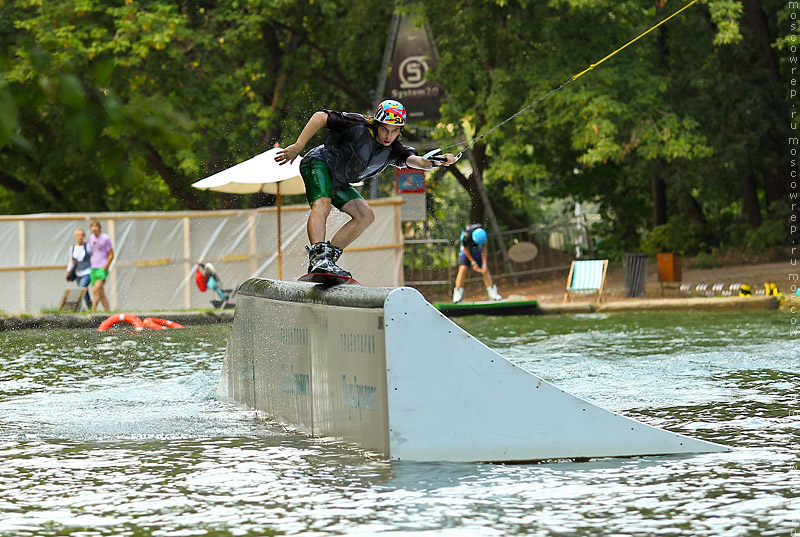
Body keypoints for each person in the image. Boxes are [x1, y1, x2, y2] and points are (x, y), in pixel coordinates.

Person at [275, 99, 457, 277]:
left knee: (366, 215)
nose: (388, 136)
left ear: (400, 131)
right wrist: (299, 145)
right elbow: (320, 117)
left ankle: (328, 259)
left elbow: (419, 162)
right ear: (376, 124)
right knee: (323, 204)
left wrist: (439, 160)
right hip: (319, 163)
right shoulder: (356, 125)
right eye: (384, 129)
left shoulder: (394, 149)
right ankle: (318, 258)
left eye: (394, 131)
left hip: (339, 180)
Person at [452, 224, 502, 303]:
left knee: (485, 271)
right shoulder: (466, 236)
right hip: (466, 252)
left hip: (478, 251)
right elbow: (465, 249)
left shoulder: (482, 234)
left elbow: (484, 249)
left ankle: (493, 294)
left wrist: (484, 265)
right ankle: (457, 296)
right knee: (463, 269)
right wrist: (473, 262)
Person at [88, 219, 114, 311]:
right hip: (93, 268)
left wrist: (105, 266)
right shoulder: (91, 238)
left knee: (95, 290)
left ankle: (92, 311)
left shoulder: (105, 238)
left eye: (96, 226)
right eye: (92, 226)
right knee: (101, 293)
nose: (94, 228)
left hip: (102, 268)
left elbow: (111, 254)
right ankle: (108, 311)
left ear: (99, 227)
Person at [65, 228, 93, 310]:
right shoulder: (72, 248)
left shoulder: (87, 246)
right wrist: (68, 272)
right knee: (84, 292)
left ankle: (76, 308)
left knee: (81, 289)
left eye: (82, 235)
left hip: (87, 271)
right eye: (78, 235)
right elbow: (71, 262)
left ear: (84, 236)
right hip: (78, 272)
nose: (80, 237)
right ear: (75, 236)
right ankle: (91, 308)